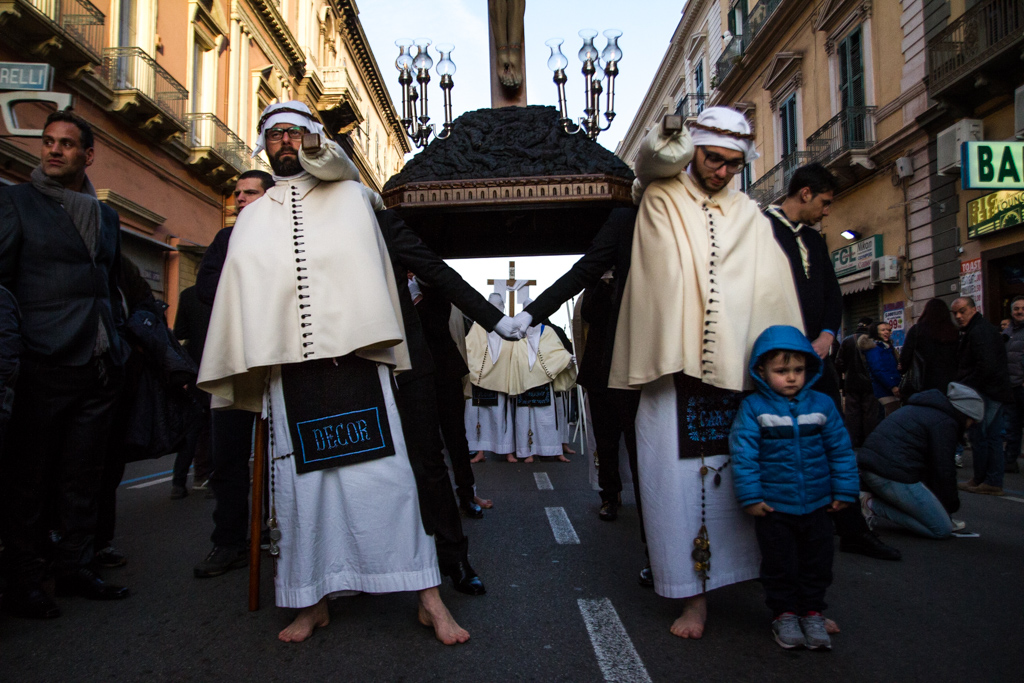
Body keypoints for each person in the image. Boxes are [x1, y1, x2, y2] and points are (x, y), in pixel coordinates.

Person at [198, 101, 469, 644]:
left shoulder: (352, 198)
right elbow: (243, 296)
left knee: (389, 483)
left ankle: (428, 597)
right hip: (290, 376)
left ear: (314, 137)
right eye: (273, 133)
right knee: (304, 494)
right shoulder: (251, 217)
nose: (283, 141)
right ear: (263, 145)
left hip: (358, 366)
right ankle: (312, 600)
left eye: (294, 132)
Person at [608, 107, 804, 639]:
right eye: (713, 159)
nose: (722, 172)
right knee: (676, 490)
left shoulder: (750, 214)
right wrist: (691, 347)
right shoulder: (661, 197)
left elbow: (770, 290)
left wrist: (771, 357)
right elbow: (663, 279)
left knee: (750, 485)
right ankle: (692, 600)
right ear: (692, 151)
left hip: (741, 377)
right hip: (675, 373)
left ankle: (783, 597)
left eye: (733, 164)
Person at [0, 110, 131, 618]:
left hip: (98, 365)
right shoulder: (16, 203)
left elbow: (110, 285)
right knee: (29, 481)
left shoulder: (106, 217)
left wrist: (118, 343)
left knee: (84, 476)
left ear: (88, 155)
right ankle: (24, 580)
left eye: (67, 144)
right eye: (48, 142)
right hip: (41, 361)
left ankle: (76, 567)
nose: (54, 150)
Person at [731, 325, 859, 650]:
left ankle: (812, 611)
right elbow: (744, 454)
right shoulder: (754, 408)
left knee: (818, 563)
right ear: (761, 371)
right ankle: (784, 614)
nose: (791, 377)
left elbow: (841, 451)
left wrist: (845, 491)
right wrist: (751, 496)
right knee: (779, 564)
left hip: (818, 504)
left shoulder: (823, 405)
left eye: (798, 370)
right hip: (775, 507)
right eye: (781, 371)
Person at [192, 169, 276, 578]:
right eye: (237, 193)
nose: (239, 198)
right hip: (232, 359)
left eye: (250, 193)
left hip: (276, 362)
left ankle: (272, 529)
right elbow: (207, 288)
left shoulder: (285, 239)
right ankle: (228, 541)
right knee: (227, 460)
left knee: (279, 458)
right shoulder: (225, 240)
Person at [409, 275, 493, 517]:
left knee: (456, 438)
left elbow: (437, 326)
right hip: (414, 374)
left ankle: (467, 494)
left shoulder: (434, 286)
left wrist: (417, 295)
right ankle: (435, 500)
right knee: (426, 442)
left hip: (445, 371)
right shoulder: (395, 286)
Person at [858, 383, 983, 539]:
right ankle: (872, 505)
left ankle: (871, 499)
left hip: (875, 468)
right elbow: (943, 471)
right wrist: (949, 507)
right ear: (965, 414)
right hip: (891, 473)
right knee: (941, 528)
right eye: (972, 421)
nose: (971, 426)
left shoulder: (924, 409)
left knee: (932, 514)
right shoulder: (944, 423)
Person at [953, 296, 1012, 496]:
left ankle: (991, 481)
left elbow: (986, 366)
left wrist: (966, 385)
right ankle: (982, 478)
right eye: (955, 313)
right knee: (984, 435)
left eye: (962, 311)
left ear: (973, 309)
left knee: (985, 436)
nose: (958, 316)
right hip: (988, 391)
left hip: (987, 392)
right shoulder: (976, 330)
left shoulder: (980, 331)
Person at [171, 284, 214, 498]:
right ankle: (212, 480)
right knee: (216, 428)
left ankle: (179, 482)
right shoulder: (223, 292)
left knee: (193, 428)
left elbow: (179, 332)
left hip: (195, 368)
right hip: (218, 368)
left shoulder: (188, 295)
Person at [465, 295, 517, 462]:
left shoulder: (507, 326)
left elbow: (515, 349)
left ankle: (507, 450)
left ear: (503, 307)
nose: (495, 308)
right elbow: (469, 348)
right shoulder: (478, 326)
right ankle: (480, 451)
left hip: (501, 377)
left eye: (498, 305)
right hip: (479, 378)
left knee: (500, 417)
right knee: (478, 417)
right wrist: (479, 368)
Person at [899, 298, 960, 397]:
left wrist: (902, 368)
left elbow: (906, 356)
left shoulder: (917, 330)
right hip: (949, 384)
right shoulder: (954, 331)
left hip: (922, 383)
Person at [835, 317, 878, 446]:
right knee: (869, 413)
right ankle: (869, 441)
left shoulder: (847, 340)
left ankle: (852, 441)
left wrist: (845, 375)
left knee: (852, 414)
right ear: (869, 326)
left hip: (851, 383)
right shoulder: (873, 341)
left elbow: (839, 363)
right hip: (869, 384)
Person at [1001, 296, 1024, 473]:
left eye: (1023, 308)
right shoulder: (1007, 332)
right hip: (1011, 386)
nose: (1020, 311)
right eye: (1016, 309)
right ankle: (1010, 460)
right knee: (1012, 426)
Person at [860, 322, 901, 418]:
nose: (887, 332)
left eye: (889, 330)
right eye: (883, 330)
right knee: (892, 417)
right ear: (875, 332)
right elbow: (878, 370)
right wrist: (892, 386)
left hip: (892, 388)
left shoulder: (887, 347)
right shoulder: (874, 349)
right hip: (884, 390)